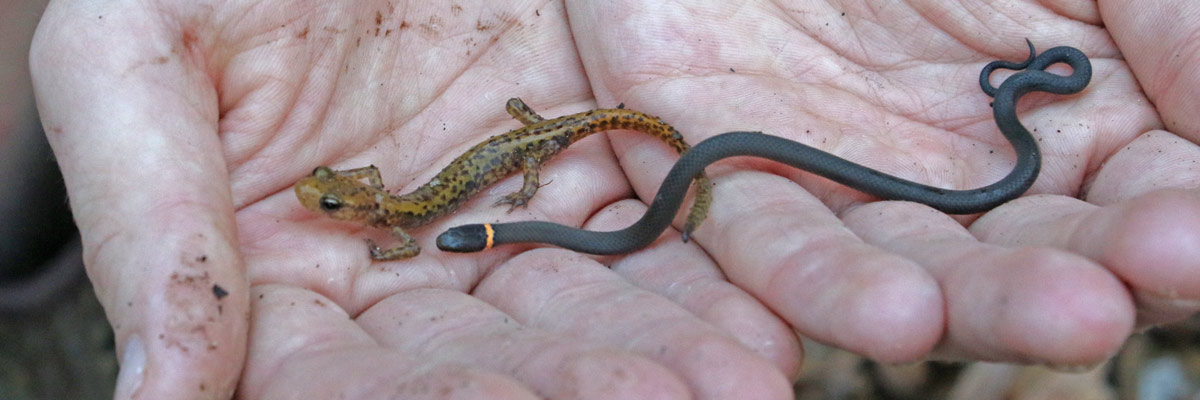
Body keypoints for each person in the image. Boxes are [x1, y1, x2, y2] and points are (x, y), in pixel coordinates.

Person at [29, 1, 1200, 398]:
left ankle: (1019, 104)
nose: (351, 210)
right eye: (348, 209)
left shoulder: (393, 217)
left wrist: (507, 184)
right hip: (548, 143)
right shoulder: (386, 204)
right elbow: (395, 207)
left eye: (341, 205)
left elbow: (399, 221)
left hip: (553, 141)